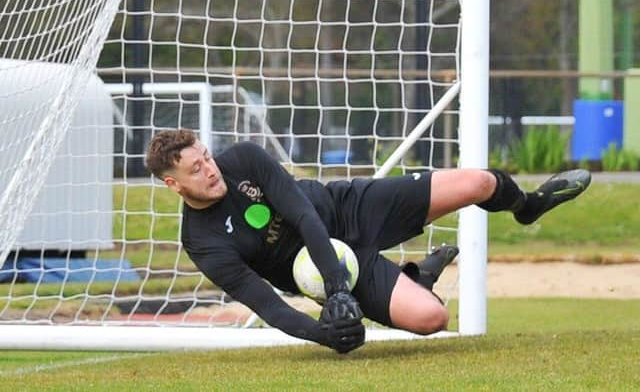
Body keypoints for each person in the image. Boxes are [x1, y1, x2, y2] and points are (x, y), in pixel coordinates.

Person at [145, 129, 591, 353]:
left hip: (343, 209)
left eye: (206, 156)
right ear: (173, 183)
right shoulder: (201, 242)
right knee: (432, 318)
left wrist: (337, 287)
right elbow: (267, 304)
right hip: (333, 268)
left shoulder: (243, 157)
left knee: (476, 183)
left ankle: (526, 206)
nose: (210, 168)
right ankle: (418, 279)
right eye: (196, 168)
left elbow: (302, 214)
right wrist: (326, 332)